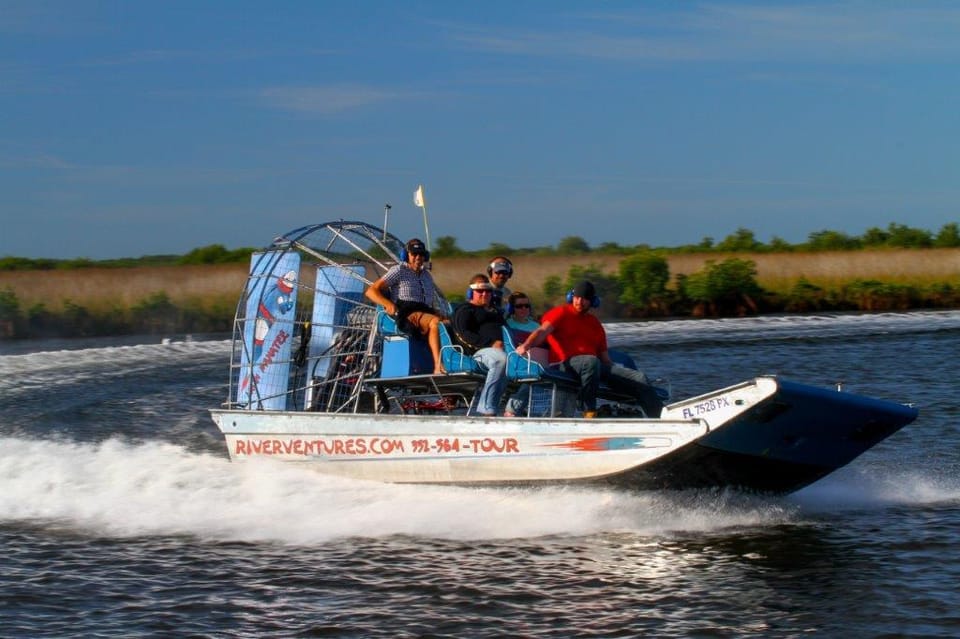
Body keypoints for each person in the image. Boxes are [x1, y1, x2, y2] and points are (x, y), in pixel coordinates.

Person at [515, 280, 663, 418]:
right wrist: (526, 346)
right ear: (571, 297)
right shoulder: (561, 313)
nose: (579, 301)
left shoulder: (595, 324)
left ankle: (661, 418)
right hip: (564, 364)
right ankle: (588, 410)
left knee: (639, 378)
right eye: (577, 297)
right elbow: (542, 332)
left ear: (592, 301)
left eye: (585, 298)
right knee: (591, 361)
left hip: (593, 367)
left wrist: (620, 374)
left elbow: (605, 359)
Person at [365, 238, 446, 374]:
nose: (418, 257)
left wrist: (438, 312)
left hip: (425, 312)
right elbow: (371, 291)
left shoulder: (427, 276)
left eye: (421, 254)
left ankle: (453, 362)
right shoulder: (399, 270)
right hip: (407, 313)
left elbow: (428, 303)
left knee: (449, 323)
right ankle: (438, 366)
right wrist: (388, 304)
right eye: (414, 254)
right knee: (435, 323)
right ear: (406, 255)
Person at [451, 274, 508, 416]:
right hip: (477, 353)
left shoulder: (495, 312)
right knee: (500, 360)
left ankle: (513, 410)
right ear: (471, 293)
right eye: (480, 291)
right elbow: (462, 334)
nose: (485, 294)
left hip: (502, 349)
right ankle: (486, 406)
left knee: (524, 363)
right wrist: (491, 343)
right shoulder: (465, 310)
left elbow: (507, 331)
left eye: (488, 291)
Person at [503, 291, 549, 417]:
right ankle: (512, 410)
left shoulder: (536, 325)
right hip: (520, 360)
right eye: (519, 306)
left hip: (541, 358)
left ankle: (543, 412)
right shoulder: (508, 325)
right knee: (536, 378)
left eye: (526, 306)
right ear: (512, 309)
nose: (524, 309)